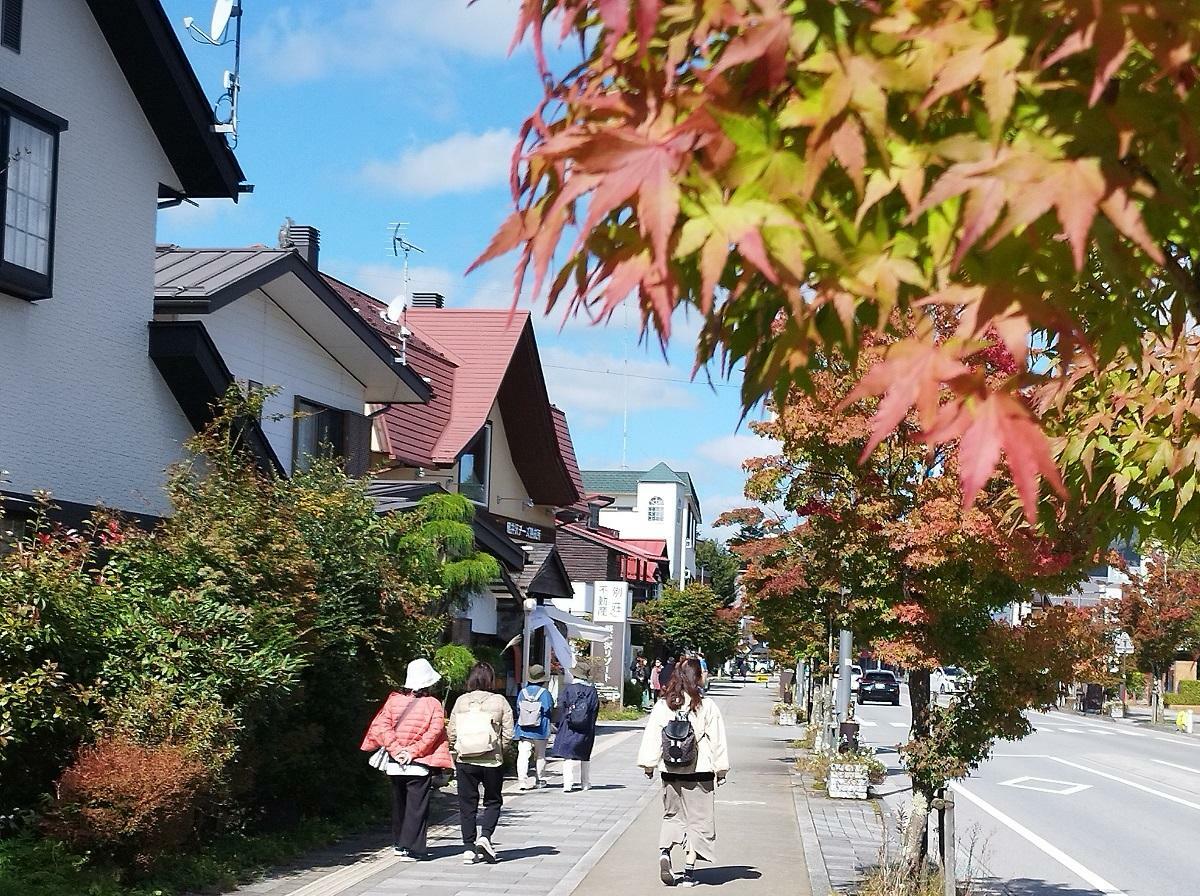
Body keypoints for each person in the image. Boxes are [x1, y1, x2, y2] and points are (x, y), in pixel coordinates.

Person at [637, 657, 730, 888]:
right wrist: (721, 769)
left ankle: (665, 852)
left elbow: (652, 737)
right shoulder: (706, 705)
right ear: (697, 677)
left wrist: (649, 765)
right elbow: (718, 739)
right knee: (699, 820)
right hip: (700, 770)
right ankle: (689, 871)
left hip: (670, 769)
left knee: (672, 815)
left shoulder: (664, 704)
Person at [360, 658, 453, 862]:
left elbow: (382, 728)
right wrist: (413, 752)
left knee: (399, 804)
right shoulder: (433, 704)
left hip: (395, 764)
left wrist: (396, 750)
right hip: (419, 763)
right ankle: (413, 848)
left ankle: (399, 844)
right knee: (416, 807)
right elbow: (434, 732)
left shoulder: (393, 701)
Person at [447, 662, 514, 865]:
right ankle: (485, 836)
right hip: (491, 760)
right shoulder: (500, 701)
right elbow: (509, 733)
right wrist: (499, 750)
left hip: (465, 759)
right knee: (493, 801)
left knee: (467, 805)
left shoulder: (461, 701)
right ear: (491, 679)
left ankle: (468, 848)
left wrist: (458, 748)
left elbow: (451, 731)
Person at [551, 660, 601, 792]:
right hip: (586, 728)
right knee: (584, 755)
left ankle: (567, 784)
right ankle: (585, 783)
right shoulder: (592, 691)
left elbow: (561, 707)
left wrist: (562, 722)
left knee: (568, 756)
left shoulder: (569, 689)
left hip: (569, 726)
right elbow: (595, 709)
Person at [514, 663, 554, 790]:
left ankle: (522, 782)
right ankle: (540, 779)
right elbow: (549, 709)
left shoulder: (523, 692)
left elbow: (518, 709)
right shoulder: (545, 693)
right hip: (541, 729)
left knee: (523, 755)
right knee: (540, 755)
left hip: (524, 728)